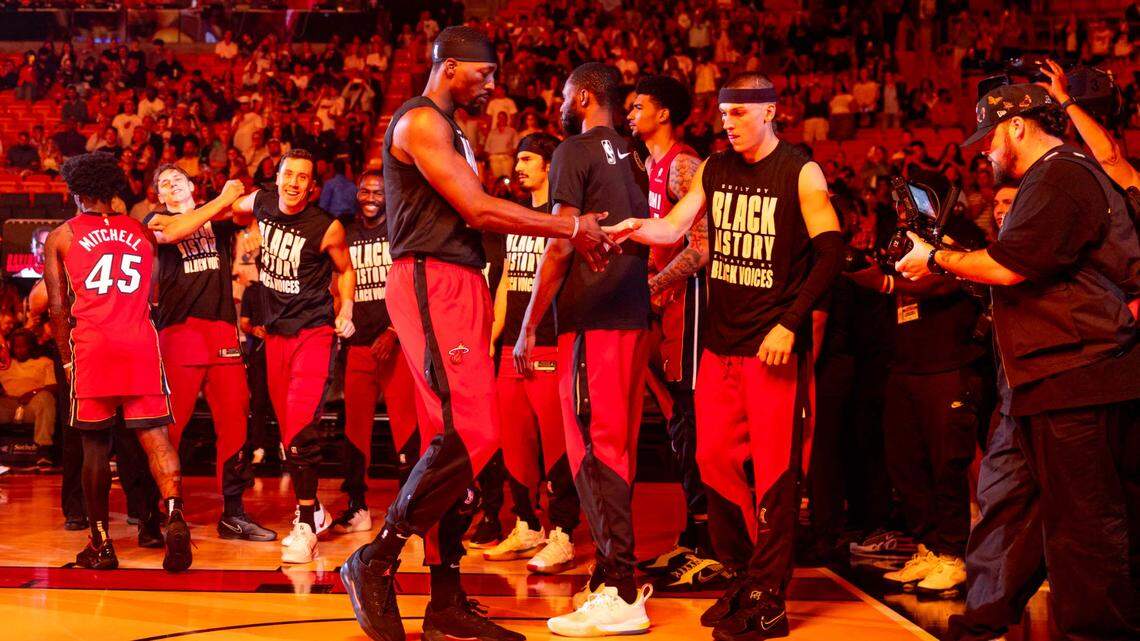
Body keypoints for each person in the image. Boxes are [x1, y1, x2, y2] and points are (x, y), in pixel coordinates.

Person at [339, 27, 612, 641]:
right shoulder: (420, 122)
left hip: (459, 282)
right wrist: (570, 227)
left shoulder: (451, 128)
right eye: (484, 73)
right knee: (473, 433)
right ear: (450, 67)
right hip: (430, 280)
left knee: (453, 443)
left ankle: (444, 602)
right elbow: (478, 209)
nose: (492, 85)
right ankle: (375, 559)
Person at [895, 83, 1140, 641]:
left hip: (1078, 374)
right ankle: (983, 622)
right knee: (1016, 510)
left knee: (1084, 529)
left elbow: (1011, 266)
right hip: (1046, 376)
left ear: (1019, 125)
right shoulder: (1052, 176)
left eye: (989, 136)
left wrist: (936, 257)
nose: (984, 149)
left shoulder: (1060, 173)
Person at [605, 73, 845, 640]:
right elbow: (674, 224)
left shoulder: (800, 170)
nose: (728, 123)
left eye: (739, 113)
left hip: (772, 347)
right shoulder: (714, 168)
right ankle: (744, 575)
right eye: (723, 113)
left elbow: (831, 252)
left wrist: (790, 324)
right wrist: (636, 228)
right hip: (720, 346)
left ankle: (770, 596)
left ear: (770, 112)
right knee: (712, 462)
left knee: (777, 474)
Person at [516, 63, 654, 636]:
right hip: (632, 316)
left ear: (586, 97)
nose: (560, 103)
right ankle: (611, 575)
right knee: (616, 449)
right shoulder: (636, 153)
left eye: (566, 95)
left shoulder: (573, 151)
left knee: (593, 452)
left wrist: (528, 323)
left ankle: (622, 591)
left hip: (592, 319)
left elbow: (559, 244)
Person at [43, 152, 193, 572]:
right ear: (113, 191)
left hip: (93, 348)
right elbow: (153, 295)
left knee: (94, 446)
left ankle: (101, 543)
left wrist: (66, 361)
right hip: (140, 344)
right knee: (157, 439)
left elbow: (57, 308)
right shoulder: (142, 232)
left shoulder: (62, 236)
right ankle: (175, 514)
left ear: (76, 193)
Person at [230, 148, 357, 564]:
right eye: (289, 174)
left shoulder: (326, 227)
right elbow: (234, 207)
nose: (294, 183)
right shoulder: (263, 202)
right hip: (275, 336)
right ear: (278, 177)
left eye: (303, 177)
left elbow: (346, 270)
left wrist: (346, 308)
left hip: (313, 332)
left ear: (312, 186)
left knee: (301, 430)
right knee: (289, 436)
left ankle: (305, 525)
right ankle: (315, 509)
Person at [137, 165, 276, 542]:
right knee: (170, 428)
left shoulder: (218, 217)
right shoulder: (155, 220)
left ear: (191, 186)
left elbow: (246, 209)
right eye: (163, 183)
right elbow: (174, 232)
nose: (171, 185)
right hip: (178, 332)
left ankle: (233, 512)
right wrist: (223, 197)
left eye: (177, 180)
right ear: (159, 196)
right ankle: (158, 511)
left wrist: (241, 194)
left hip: (221, 330)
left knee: (235, 422)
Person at [626, 73, 725, 590]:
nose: (629, 114)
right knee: (677, 423)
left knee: (693, 418)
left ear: (663, 113)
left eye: (637, 106)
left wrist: (656, 283)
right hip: (665, 304)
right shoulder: (646, 165)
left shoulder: (684, 164)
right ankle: (692, 535)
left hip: (691, 302)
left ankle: (712, 543)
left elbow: (703, 247)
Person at [484, 133, 580, 574]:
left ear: (549, 166)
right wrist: (493, 338)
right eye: (518, 159)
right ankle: (526, 524)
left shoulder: (562, 219)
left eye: (527, 159)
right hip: (512, 347)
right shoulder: (516, 219)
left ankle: (563, 534)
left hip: (549, 342)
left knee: (557, 444)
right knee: (514, 441)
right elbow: (507, 281)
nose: (518, 167)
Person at [332, 169, 422, 535]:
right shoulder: (346, 233)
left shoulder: (400, 232)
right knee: (354, 429)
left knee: (406, 426)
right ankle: (357, 506)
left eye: (378, 192)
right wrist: (340, 312)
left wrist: (393, 331)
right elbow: (336, 280)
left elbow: (415, 286)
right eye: (365, 191)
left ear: (390, 195)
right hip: (358, 346)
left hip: (395, 346)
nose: (371, 197)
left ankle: (409, 509)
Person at [0, 329, 58, 469]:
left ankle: (44, 451)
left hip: (33, 404)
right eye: (16, 347)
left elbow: (53, 387)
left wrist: (32, 393)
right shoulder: (5, 364)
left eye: (23, 346)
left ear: (31, 346)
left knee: (46, 398)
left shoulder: (45, 362)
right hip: (9, 405)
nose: (19, 350)